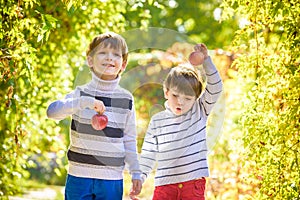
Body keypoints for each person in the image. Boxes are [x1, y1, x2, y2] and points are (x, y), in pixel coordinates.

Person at [47, 32, 142, 200]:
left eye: (116, 54)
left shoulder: (126, 99)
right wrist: (82, 102)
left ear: (123, 64)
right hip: (78, 175)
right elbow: (52, 112)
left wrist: (135, 172)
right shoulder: (80, 94)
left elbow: (129, 139)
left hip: (111, 179)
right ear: (90, 60)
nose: (109, 58)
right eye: (103, 52)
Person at [139, 43, 223, 200]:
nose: (180, 102)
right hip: (164, 186)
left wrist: (206, 61)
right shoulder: (158, 121)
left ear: (196, 98)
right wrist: (140, 178)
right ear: (166, 92)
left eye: (187, 98)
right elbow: (148, 154)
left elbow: (216, 87)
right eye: (175, 96)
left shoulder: (199, 110)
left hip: (193, 184)